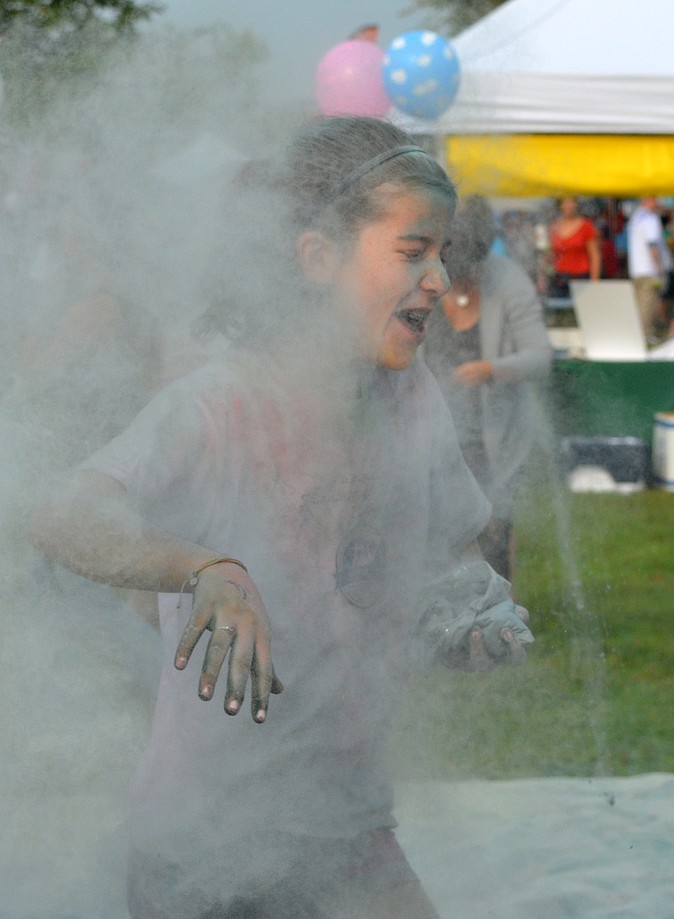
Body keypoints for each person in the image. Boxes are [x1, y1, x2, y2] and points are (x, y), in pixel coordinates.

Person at [29, 117, 531, 919]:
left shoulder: (411, 402)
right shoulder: (223, 405)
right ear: (318, 258)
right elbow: (65, 514)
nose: (438, 277)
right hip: (203, 847)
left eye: (441, 251)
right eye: (412, 251)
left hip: (350, 829)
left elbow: (453, 558)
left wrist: (468, 621)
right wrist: (204, 569)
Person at [425, 196, 553, 584]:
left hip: (496, 439)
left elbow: (540, 357)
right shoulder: (426, 278)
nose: (458, 278)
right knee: (436, 538)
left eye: (467, 268)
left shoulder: (508, 280)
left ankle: (501, 615)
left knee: (493, 531)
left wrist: (489, 370)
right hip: (435, 435)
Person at [625, 197, 672, 342]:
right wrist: (659, 269)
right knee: (648, 304)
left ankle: (637, 335)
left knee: (639, 304)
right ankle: (644, 336)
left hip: (636, 269)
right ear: (650, 200)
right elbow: (653, 245)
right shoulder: (651, 219)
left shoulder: (635, 217)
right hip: (649, 270)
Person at [546, 195, 601, 298]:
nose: (569, 206)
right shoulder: (554, 226)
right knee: (560, 311)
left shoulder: (586, 226)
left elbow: (595, 256)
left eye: (572, 202)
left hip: (580, 277)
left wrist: (595, 283)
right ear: (560, 205)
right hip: (560, 279)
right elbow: (550, 255)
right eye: (565, 202)